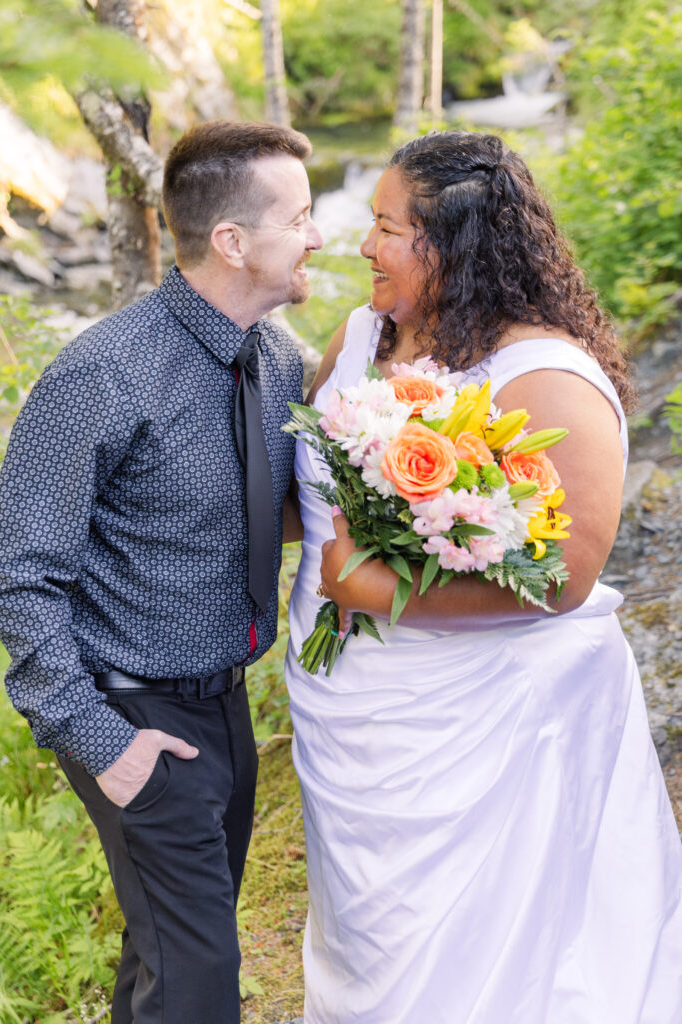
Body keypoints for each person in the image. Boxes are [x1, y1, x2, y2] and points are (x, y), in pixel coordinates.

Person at [285, 130, 682, 1023]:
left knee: (496, 944)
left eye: (386, 226)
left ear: (450, 241)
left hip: (491, 722)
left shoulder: (542, 375)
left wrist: (377, 591)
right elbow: (301, 493)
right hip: (350, 714)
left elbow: (567, 574)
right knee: (369, 938)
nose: (363, 245)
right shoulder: (356, 339)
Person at [0, 120, 322, 1024]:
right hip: (131, 715)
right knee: (201, 981)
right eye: (300, 216)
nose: (319, 237)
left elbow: (281, 507)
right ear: (232, 241)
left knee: (167, 957)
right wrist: (104, 744)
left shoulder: (279, 364)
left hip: (223, 706)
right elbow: (19, 574)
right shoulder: (99, 375)